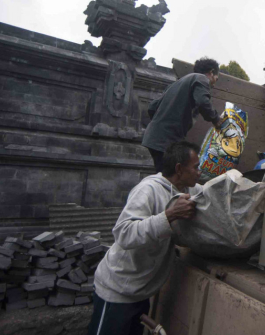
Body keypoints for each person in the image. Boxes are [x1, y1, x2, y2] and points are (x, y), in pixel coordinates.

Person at [87, 141, 202, 335]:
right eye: (196, 167)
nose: (200, 172)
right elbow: (123, 233)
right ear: (179, 169)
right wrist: (170, 215)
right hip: (117, 292)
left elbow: (210, 195)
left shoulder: (188, 191)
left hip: (140, 293)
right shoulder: (148, 190)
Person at [143, 57, 222, 173]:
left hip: (153, 137)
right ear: (211, 72)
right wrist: (215, 119)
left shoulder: (178, 83)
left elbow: (152, 107)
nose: (214, 83)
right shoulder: (201, 78)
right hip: (166, 139)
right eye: (216, 78)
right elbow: (202, 101)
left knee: (164, 174)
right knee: (170, 177)